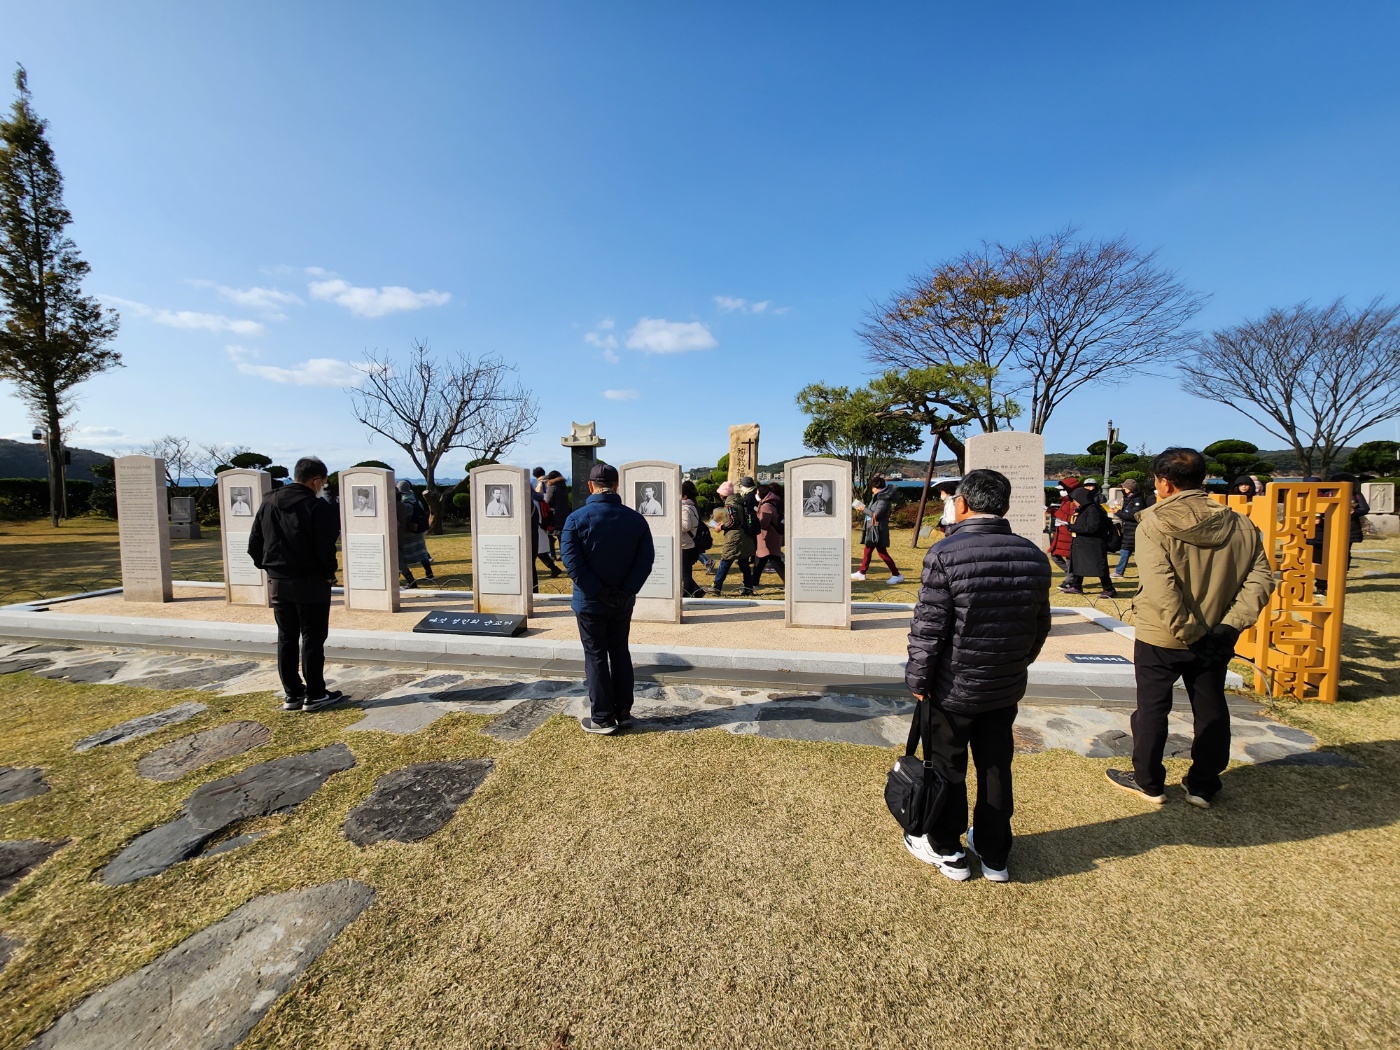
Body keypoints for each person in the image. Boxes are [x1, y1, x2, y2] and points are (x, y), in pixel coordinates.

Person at [902, 469, 1052, 883]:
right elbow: (1040, 624)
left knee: (947, 766)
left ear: (963, 503)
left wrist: (918, 679)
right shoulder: (1033, 555)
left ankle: (947, 849)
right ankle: (994, 852)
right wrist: (1018, 662)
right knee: (995, 766)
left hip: (953, 685)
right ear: (1005, 505)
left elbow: (929, 627)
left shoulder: (945, 553)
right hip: (1004, 684)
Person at [1107, 448, 1275, 808]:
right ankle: (1203, 783)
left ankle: (1148, 780)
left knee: (1152, 707)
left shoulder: (1154, 523)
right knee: (1211, 706)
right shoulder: (1240, 523)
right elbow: (1260, 579)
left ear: (1165, 483)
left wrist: (1188, 631)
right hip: (1216, 632)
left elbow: (1160, 586)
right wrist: (1229, 626)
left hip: (1162, 634)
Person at [560, 462, 655, 735]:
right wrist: (626, 590)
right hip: (622, 601)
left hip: (590, 601)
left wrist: (597, 591)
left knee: (596, 656)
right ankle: (623, 712)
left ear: (591, 486)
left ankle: (602, 717)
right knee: (620, 651)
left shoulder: (575, 519)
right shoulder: (636, 519)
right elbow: (645, 560)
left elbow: (572, 562)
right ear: (616, 485)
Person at [248, 457, 344, 712]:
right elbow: (325, 548)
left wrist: (270, 568)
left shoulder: (269, 502)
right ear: (316, 481)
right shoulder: (316, 506)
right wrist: (328, 574)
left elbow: (255, 543)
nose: (323, 487)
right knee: (312, 637)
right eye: (323, 483)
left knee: (286, 636)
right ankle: (315, 693)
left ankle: (292, 693)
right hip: (311, 580)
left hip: (278, 580)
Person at [1061, 486, 1117, 598]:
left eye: (1076, 500)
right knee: (1078, 565)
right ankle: (1076, 586)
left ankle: (1109, 588)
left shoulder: (1093, 510)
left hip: (1093, 544)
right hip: (1083, 544)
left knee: (1099, 568)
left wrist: (1072, 527)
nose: (1074, 503)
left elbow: (1092, 527)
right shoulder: (1085, 509)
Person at [852, 475, 904, 584]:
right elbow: (872, 512)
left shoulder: (883, 498)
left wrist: (863, 509)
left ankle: (896, 574)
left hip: (878, 529)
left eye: (872, 487)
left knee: (882, 552)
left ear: (876, 487)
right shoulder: (878, 497)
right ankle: (862, 572)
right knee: (868, 550)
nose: (872, 490)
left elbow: (877, 514)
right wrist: (864, 509)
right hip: (873, 528)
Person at [712, 479, 757, 596]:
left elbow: (733, 521)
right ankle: (748, 588)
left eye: (720, 493)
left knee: (725, 561)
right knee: (744, 563)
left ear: (723, 494)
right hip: (744, 536)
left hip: (734, 538)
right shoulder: (738, 501)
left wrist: (722, 527)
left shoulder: (729, 505)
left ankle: (716, 587)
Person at [395, 481, 434, 588]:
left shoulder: (403, 503)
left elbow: (403, 519)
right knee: (422, 552)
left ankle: (405, 578)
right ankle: (429, 572)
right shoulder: (416, 500)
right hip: (418, 531)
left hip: (407, 533)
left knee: (400, 556)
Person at [1111, 478, 1152, 578]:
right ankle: (1122, 571)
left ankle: (1119, 571)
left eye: (1124, 487)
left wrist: (1118, 512)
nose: (1123, 489)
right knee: (1129, 551)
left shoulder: (1138, 500)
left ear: (1130, 488)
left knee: (1126, 551)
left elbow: (1133, 515)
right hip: (1128, 529)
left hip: (1133, 529)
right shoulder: (1129, 499)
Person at [530, 487, 562, 590]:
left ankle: (554, 568)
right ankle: (554, 568)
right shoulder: (539, 499)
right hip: (541, 528)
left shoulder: (532, 501)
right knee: (539, 553)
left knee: (537, 554)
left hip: (536, 529)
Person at [753, 482, 785, 583]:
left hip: (768, 536)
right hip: (768, 536)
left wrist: (755, 520)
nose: (756, 494)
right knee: (761, 559)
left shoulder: (766, 506)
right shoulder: (770, 503)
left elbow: (764, 523)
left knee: (773, 559)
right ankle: (754, 581)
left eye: (757, 492)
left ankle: (788, 580)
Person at [679, 479, 707, 598]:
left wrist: (674, 526)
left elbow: (686, 526)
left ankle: (687, 594)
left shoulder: (685, 508)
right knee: (684, 572)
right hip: (689, 543)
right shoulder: (692, 506)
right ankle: (697, 591)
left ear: (684, 496)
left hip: (685, 544)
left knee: (685, 573)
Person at [1047, 477, 1078, 571]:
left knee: (1068, 558)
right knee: (1055, 556)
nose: (1061, 492)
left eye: (1063, 490)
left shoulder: (1074, 502)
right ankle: (1070, 574)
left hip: (1068, 533)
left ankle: (1071, 576)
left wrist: (1055, 512)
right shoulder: (1065, 501)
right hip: (1062, 533)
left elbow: (1070, 518)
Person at [544, 470, 571, 558]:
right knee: (561, 537)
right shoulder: (563, 487)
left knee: (549, 535)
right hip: (564, 513)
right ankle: (563, 555)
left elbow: (548, 501)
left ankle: (552, 555)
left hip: (554, 515)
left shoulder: (552, 487)